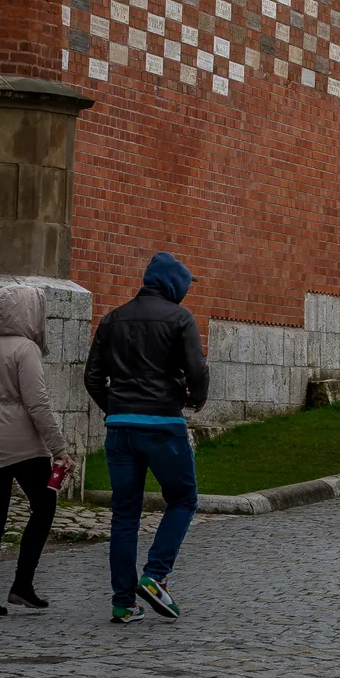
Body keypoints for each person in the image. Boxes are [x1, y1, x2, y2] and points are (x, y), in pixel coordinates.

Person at [85, 251, 208, 625]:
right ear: (175, 285)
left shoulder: (111, 319)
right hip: (163, 426)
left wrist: (115, 407)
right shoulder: (180, 318)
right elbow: (197, 370)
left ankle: (122, 603)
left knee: (124, 514)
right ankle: (155, 575)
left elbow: (92, 377)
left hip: (120, 429)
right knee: (183, 499)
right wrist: (195, 400)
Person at [0, 283, 69, 618]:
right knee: (43, 507)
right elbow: (38, 403)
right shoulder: (26, 350)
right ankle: (22, 583)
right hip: (25, 448)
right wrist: (60, 449)